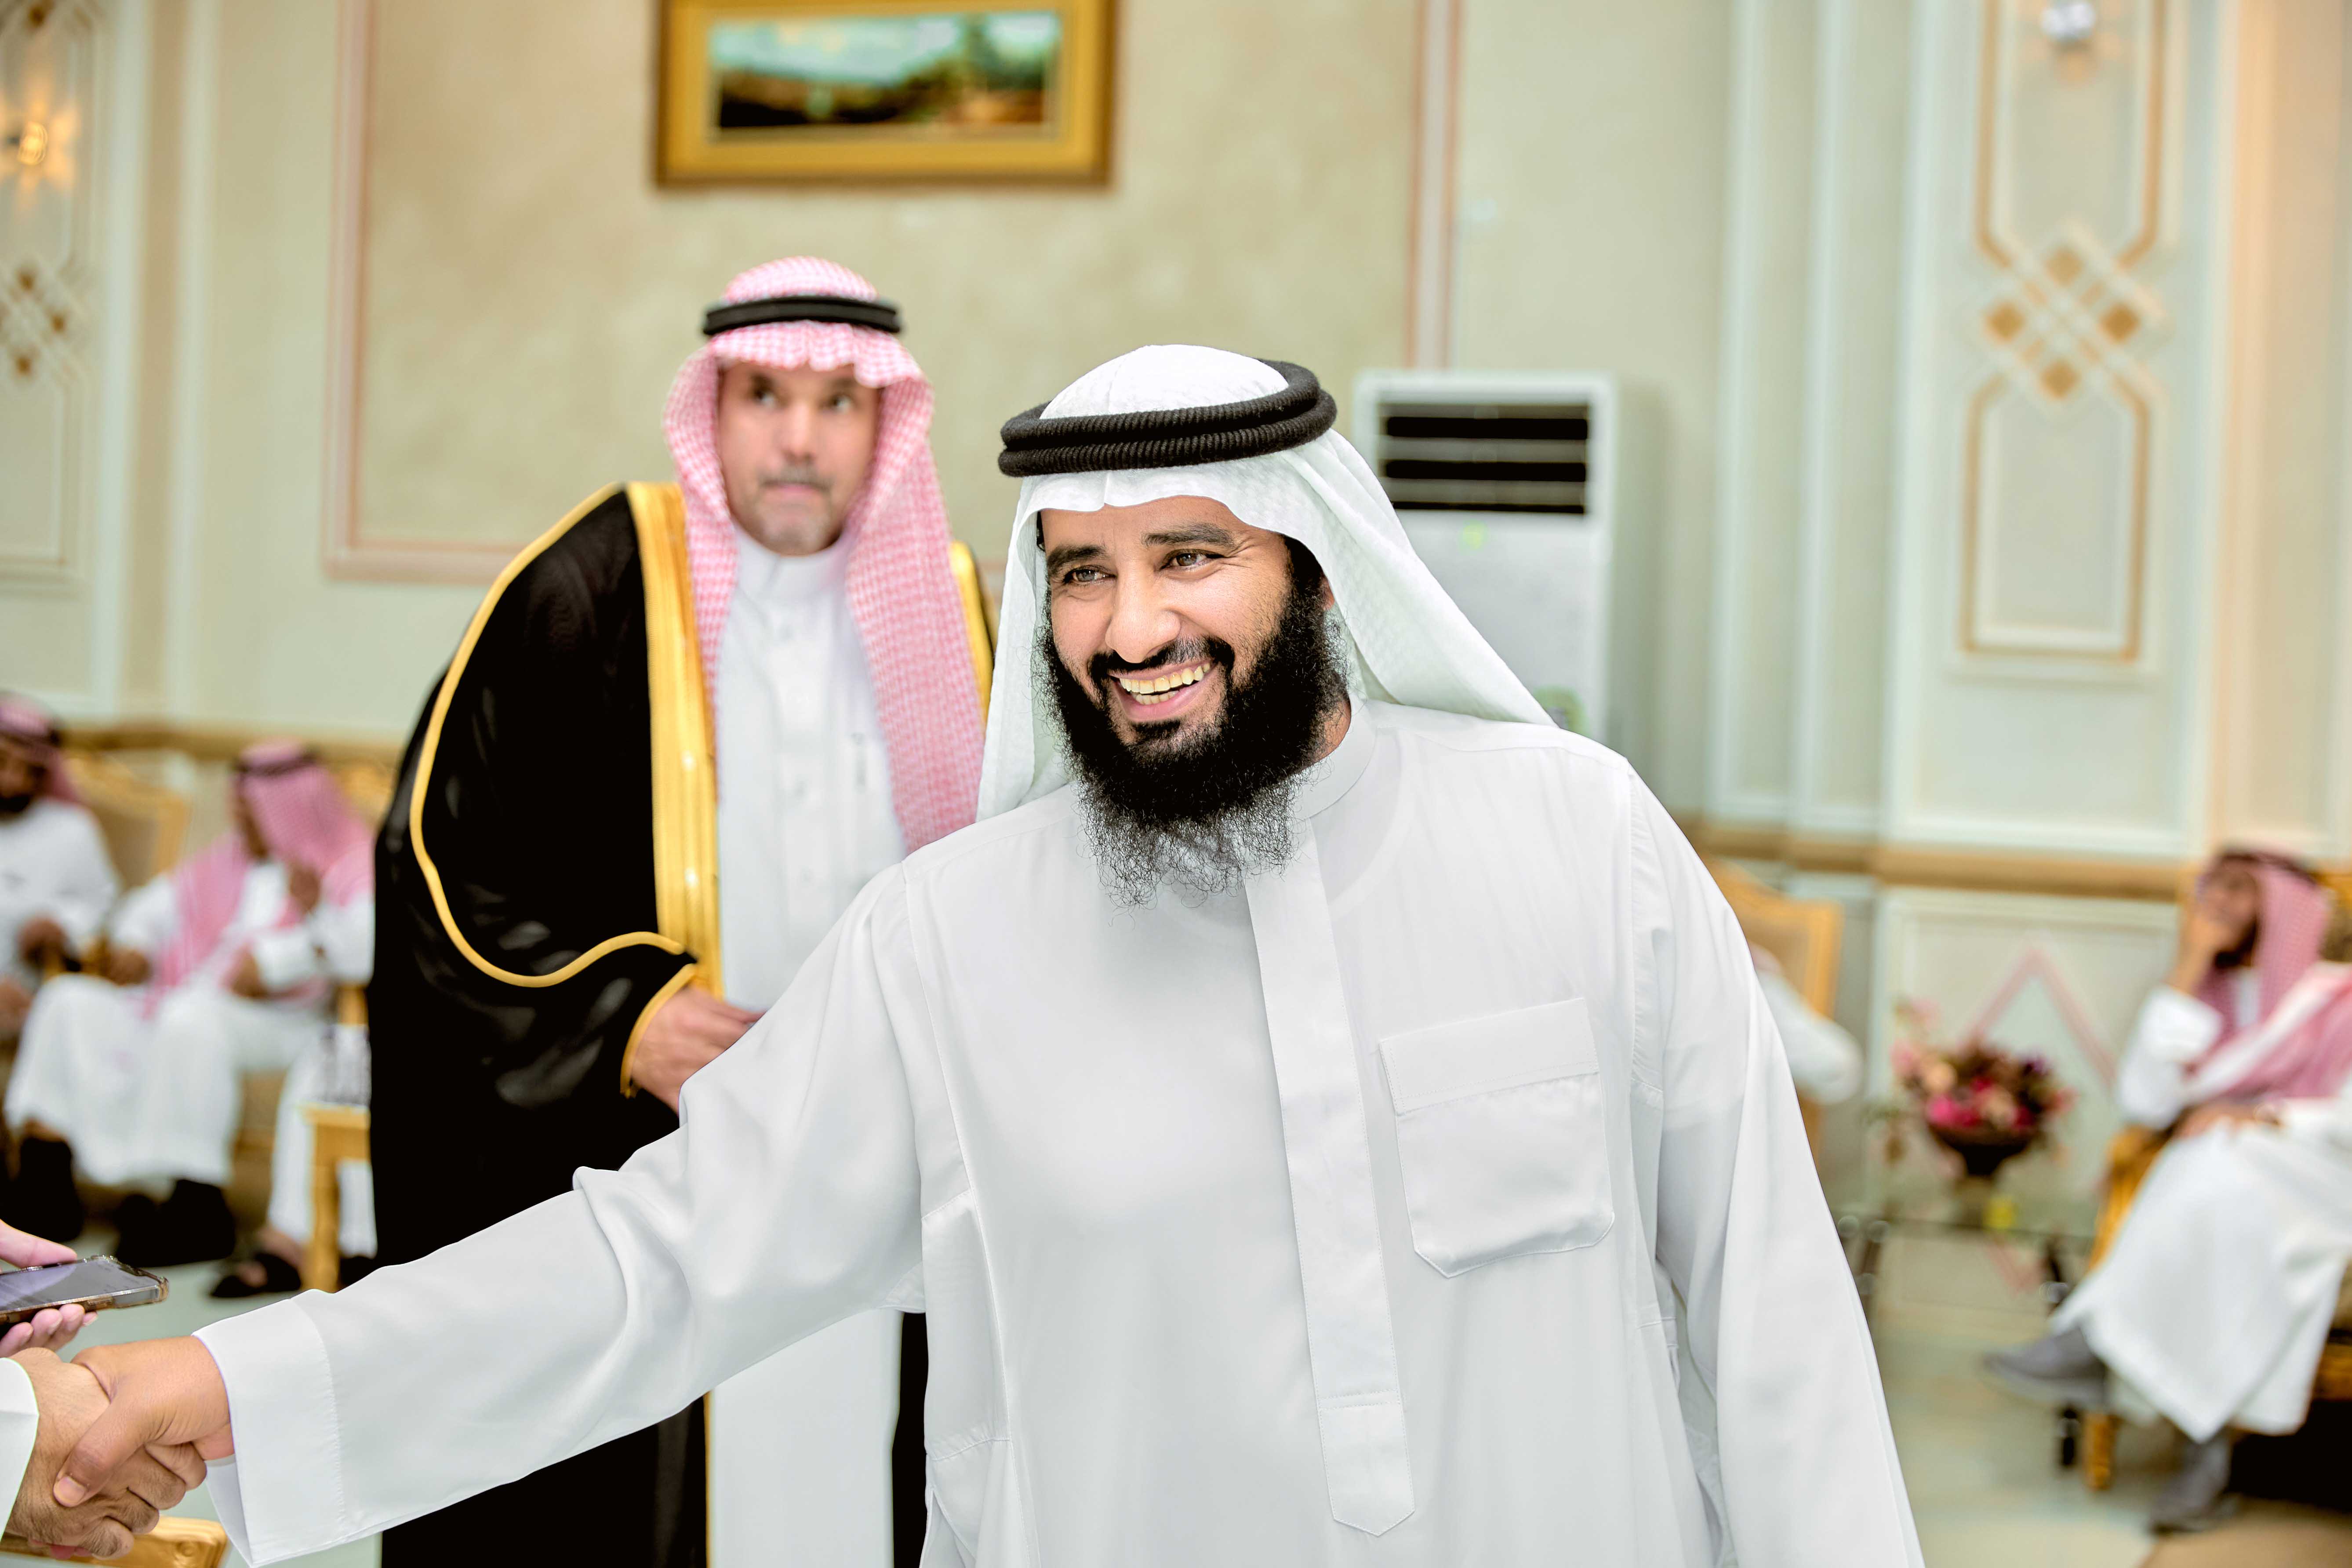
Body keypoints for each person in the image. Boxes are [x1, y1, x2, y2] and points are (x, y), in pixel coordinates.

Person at [27, 347, 1920, 1568]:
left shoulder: (1574, 839)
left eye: (1190, 555)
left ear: (1317, 568)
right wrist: (234, 1388)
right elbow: (656, 1264)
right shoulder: (957, 938)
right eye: (1080, 570)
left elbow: (1768, 1324)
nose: (1128, 624)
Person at [351, 258, 986, 1568]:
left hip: (877, 1174)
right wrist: (617, 1019)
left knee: (854, 1484)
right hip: (657, 1167)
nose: (800, 439)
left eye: (838, 402)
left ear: (885, 421)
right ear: (713, 408)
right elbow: (441, 862)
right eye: (765, 397)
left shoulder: (950, 609)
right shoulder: (591, 588)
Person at [1988, 851, 2352, 1531]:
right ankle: (2201, 1457)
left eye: (2240, 890)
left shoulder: (2335, 997)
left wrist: (2262, 1115)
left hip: (2324, 1176)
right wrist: (2188, 965)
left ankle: (2097, 1342)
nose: (2216, 901)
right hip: (2235, 1185)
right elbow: (2145, 1101)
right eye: (2212, 887)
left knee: (2210, 1156)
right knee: (2216, 1185)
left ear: (2282, 906)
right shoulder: (2206, 995)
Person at [3, 743, 373, 1263]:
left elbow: (363, 948)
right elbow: (149, 908)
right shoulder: (228, 860)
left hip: (287, 1021)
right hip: (193, 996)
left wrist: (277, 961)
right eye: (238, 808)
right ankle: (47, 1183)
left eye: (252, 811)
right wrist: (137, 943)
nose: (241, 822)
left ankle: (194, 1206)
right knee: (68, 999)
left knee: (191, 1020)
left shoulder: (349, 864)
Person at [0, 698, 117, 1044]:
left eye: (30, 771)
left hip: (32, 994)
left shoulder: (71, 829)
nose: (12, 781)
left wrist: (61, 924)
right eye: (2, 763)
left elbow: (103, 905)